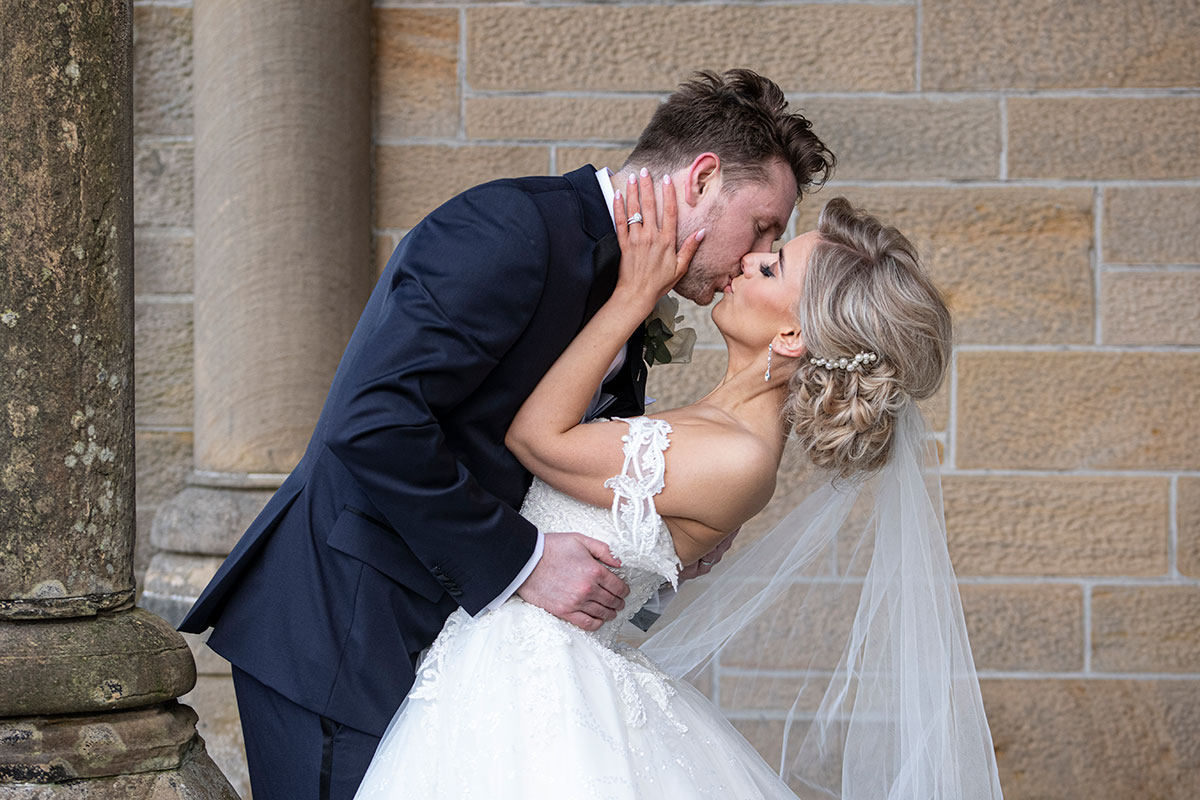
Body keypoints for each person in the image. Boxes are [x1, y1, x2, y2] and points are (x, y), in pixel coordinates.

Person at [178, 69, 834, 800]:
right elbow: (373, 422)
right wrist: (524, 562)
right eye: (764, 227)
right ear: (703, 178)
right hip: (345, 631)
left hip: (461, 660)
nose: (755, 255)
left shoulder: (632, 286)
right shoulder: (511, 229)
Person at [352, 187, 1001, 798]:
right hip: (504, 671)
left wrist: (634, 295)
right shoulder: (712, 427)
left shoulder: (737, 455)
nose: (748, 261)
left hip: (542, 690)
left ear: (791, 337)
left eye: (770, 267)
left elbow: (536, 439)